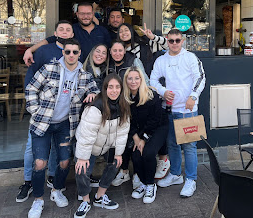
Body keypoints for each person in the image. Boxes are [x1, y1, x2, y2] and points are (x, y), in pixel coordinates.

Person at [25, 38, 99, 218]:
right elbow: (31, 89)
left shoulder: (84, 74)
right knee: (40, 163)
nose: (71, 55)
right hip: (42, 123)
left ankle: (56, 190)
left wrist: (91, 93)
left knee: (65, 162)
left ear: (80, 53)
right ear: (63, 53)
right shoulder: (49, 68)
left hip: (65, 124)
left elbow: (96, 89)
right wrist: (35, 111)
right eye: (68, 52)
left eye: (75, 52)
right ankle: (38, 200)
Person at [17, 20, 74, 203]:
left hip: (62, 116)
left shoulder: (74, 53)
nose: (65, 33)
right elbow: (30, 82)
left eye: (68, 30)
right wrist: (35, 109)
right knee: (31, 150)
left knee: (58, 152)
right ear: (55, 32)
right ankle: (28, 183)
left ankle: (52, 180)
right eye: (61, 30)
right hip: (42, 113)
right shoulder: (44, 51)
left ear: (72, 34)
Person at [151, 29, 206, 198]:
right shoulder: (161, 60)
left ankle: (191, 179)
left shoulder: (190, 57)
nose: (174, 43)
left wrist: (193, 96)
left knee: (189, 146)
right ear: (167, 41)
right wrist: (162, 91)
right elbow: (152, 80)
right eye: (171, 40)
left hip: (188, 109)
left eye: (177, 40)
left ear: (182, 41)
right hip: (169, 109)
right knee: (172, 144)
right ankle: (175, 174)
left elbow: (201, 77)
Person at [74, 74, 130, 218]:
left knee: (116, 162)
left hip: (107, 144)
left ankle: (100, 196)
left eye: (117, 87)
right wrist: (82, 157)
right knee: (81, 168)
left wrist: (118, 153)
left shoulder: (123, 105)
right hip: (89, 143)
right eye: (110, 87)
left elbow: (122, 133)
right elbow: (87, 136)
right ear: (104, 89)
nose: (114, 91)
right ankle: (85, 200)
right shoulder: (96, 107)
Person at [122, 67, 168, 204]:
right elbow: (126, 121)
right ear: (126, 80)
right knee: (135, 154)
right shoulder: (124, 98)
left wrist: (144, 138)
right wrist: (136, 137)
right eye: (130, 78)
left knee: (148, 153)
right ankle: (142, 183)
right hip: (139, 130)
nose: (133, 81)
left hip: (158, 127)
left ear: (141, 80)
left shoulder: (151, 95)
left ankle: (150, 185)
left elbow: (155, 121)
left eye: (137, 78)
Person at [23, 2, 111, 65]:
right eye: (82, 14)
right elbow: (49, 40)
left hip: (99, 71)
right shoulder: (71, 30)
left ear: (93, 14)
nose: (85, 17)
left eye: (88, 13)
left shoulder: (103, 31)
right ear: (77, 14)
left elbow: (110, 50)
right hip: (77, 72)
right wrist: (29, 50)